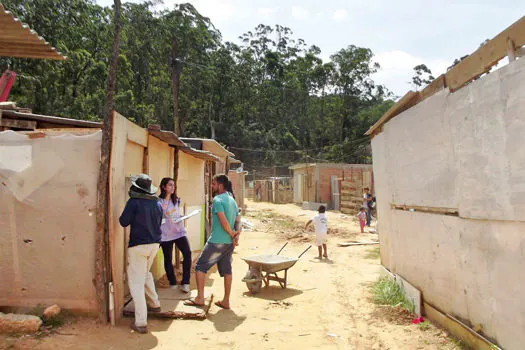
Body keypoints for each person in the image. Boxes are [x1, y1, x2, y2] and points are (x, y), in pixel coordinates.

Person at [184, 174, 240, 309]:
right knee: (227, 270)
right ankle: (226, 301)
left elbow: (223, 220)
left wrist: (232, 233)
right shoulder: (232, 200)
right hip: (228, 243)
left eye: (213, 184)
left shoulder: (217, 200)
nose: (211, 186)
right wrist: (235, 236)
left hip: (217, 241)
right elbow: (238, 220)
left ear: (220, 185)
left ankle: (199, 298)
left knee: (200, 267)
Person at [119, 174, 162, 334]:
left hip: (138, 246)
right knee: (145, 275)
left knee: (136, 283)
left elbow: (123, 222)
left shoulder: (134, 202)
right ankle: (155, 304)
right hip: (154, 244)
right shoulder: (156, 203)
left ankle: (141, 322)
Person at [159, 177, 192, 293]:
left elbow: (176, 213)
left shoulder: (176, 200)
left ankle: (185, 282)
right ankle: (172, 282)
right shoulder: (159, 202)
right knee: (168, 258)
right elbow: (160, 216)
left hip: (179, 232)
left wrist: (182, 217)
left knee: (187, 253)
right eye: (170, 185)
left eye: (173, 185)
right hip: (165, 234)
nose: (172, 187)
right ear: (163, 187)